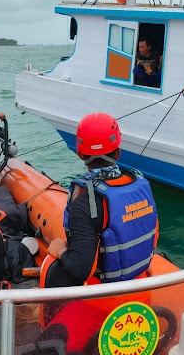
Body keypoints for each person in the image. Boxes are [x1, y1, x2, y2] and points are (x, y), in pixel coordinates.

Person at [41, 112, 159, 352]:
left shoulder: (87, 200)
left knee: (47, 340)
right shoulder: (139, 183)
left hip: (104, 306)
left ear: (80, 154)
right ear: (118, 151)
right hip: (143, 297)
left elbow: (81, 268)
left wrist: (60, 250)